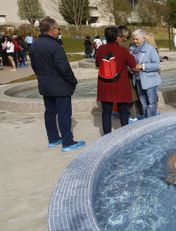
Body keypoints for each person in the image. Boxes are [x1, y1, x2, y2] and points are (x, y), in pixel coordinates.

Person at [30, 17, 85, 152]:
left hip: (45, 84)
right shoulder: (55, 45)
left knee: (50, 112)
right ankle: (67, 142)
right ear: (52, 29)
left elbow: (34, 66)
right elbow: (64, 67)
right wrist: (72, 81)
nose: (58, 31)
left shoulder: (34, 45)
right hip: (60, 85)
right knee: (64, 113)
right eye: (57, 28)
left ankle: (53, 138)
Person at [95, 27, 137, 135]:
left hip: (105, 85)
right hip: (120, 85)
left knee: (106, 112)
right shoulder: (122, 50)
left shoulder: (100, 49)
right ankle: (124, 133)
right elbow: (133, 65)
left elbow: (98, 64)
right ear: (116, 38)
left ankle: (106, 135)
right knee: (123, 111)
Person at [129, 29, 162, 118]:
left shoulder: (150, 49)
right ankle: (147, 121)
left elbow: (157, 65)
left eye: (137, 39)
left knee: (151, 103)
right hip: (138, 80)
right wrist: (132, 69)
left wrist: (142, 66)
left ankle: (150, 122)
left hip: (150, 80)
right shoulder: (131, 49)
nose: (135, 41)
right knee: (143, 103)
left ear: (143, 38)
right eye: (134, 39)